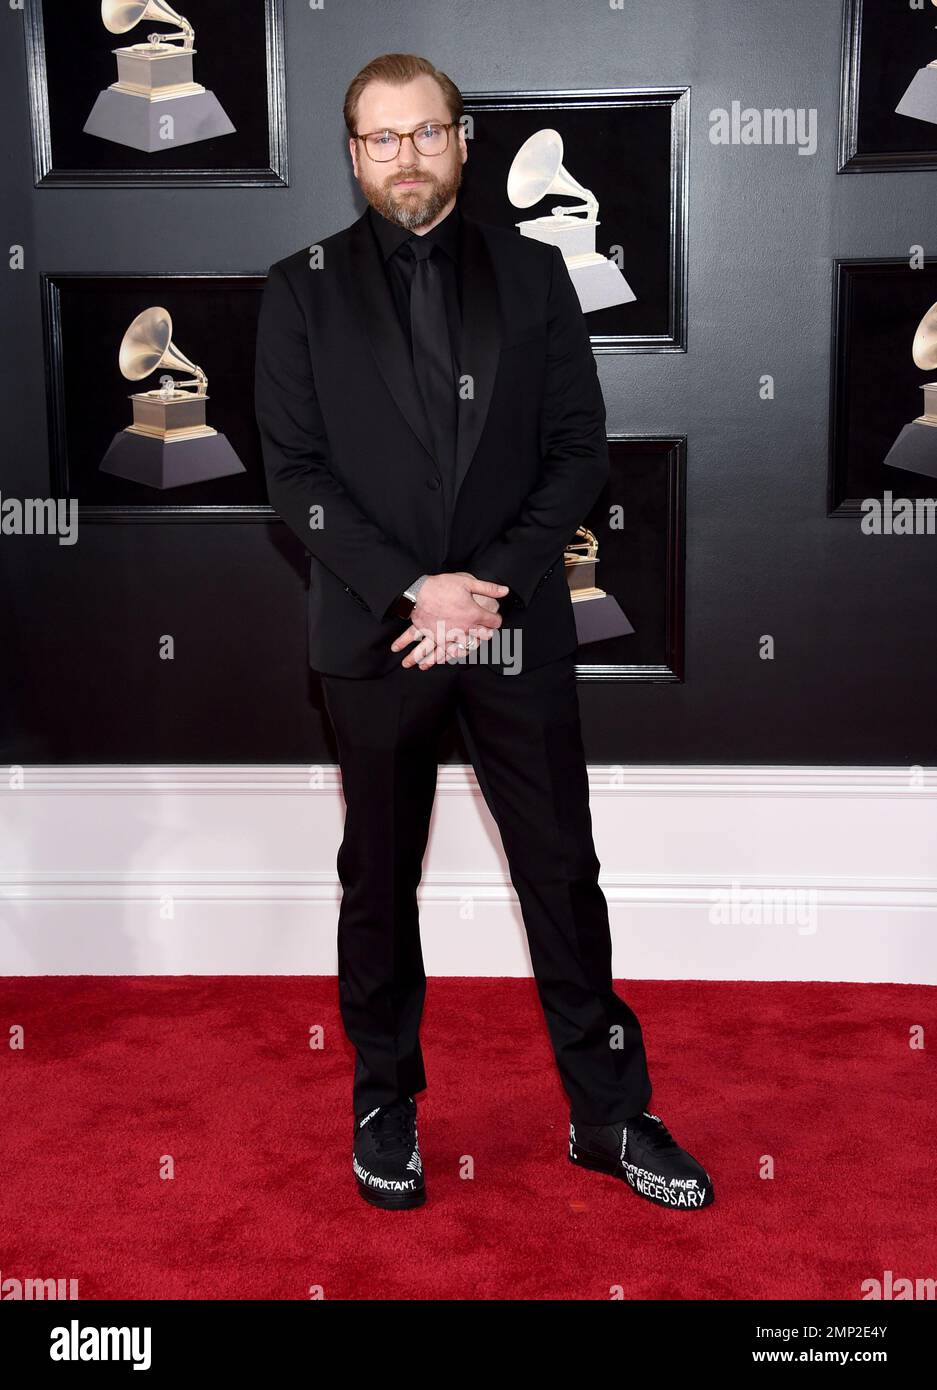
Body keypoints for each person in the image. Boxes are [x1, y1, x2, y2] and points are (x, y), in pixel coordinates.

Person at [254, 52, 713, 1213]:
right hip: (375, 635)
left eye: (425, 133)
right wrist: (416, 590)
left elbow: (577, 456)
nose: (405, 156)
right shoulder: (298, 286)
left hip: (512, 628)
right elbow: (296, 478)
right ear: (354, 154)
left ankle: (608, 1115)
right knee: (378, 875)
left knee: (561, 868)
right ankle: (383, 1096)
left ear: (463, 140)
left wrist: (484, 592)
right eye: (381, 138)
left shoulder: (535, 275)